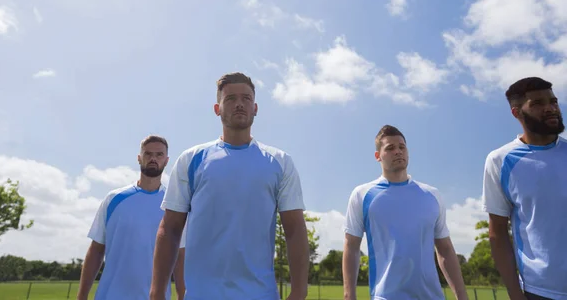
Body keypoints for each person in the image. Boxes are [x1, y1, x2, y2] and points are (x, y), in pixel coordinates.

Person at [149, 72, 310, 300]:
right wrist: (156, 292)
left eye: (246, 98)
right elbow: (170, 229)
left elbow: (294, 230)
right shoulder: (191, 159)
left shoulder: (280, 162)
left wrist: (299, 292)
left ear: (255, 108)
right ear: (217, 109)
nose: (239, 104)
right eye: (231, 99)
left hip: (261, 295)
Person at [343, 125, 467, 300]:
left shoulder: (432, 195)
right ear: (378, 156)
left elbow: (445, 249)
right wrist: (349, 295)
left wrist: (462, 296)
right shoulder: (362, 195)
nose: (398, 152)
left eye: (402, 147)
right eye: (390, 148)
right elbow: (351, 246)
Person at [482, 77, 567, 300]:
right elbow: (497, 233)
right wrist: (515, 294)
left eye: (553, 101)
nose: (550, 108)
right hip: (541, 292)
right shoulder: (500, 161)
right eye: (538, 103)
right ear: (516, 112)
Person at [77, 135, 186, 300]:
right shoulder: (113, 199)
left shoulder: (174, 204)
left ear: (166, 160)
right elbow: (96, 250)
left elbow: (179, 256)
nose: (153, 159)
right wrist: (81, 297)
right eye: (148, 154)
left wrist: (181, 295)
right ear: (139, 158)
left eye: (159, 155)